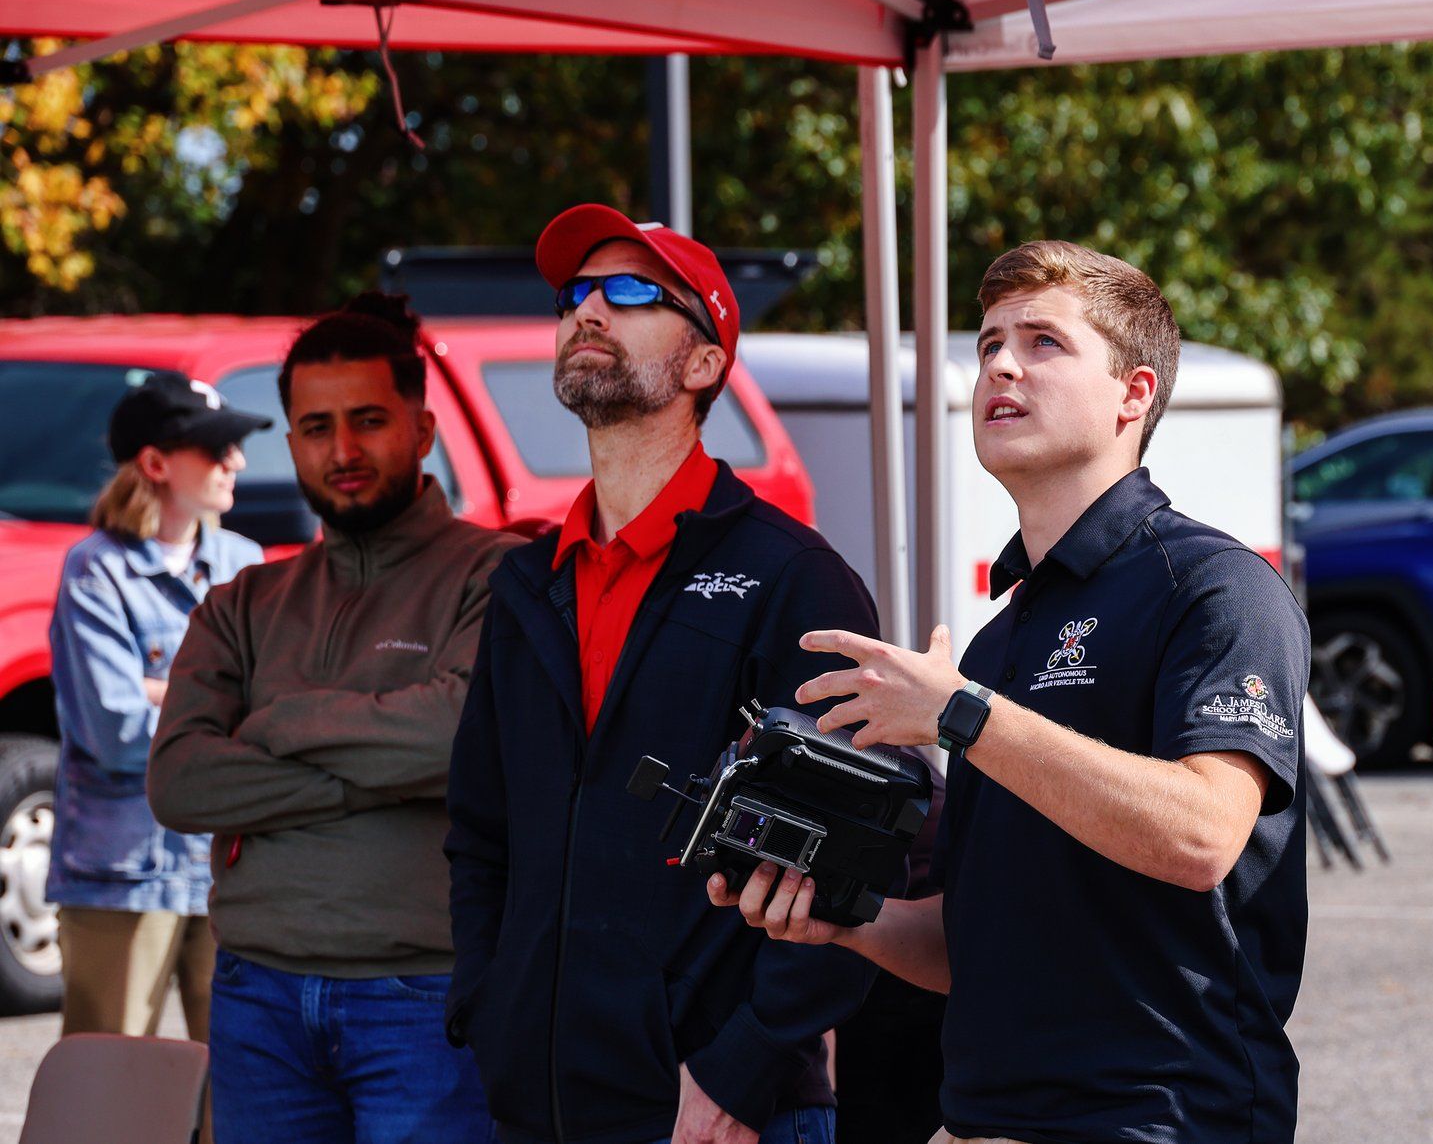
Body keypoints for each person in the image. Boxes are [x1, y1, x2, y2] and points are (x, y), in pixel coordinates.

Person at [721, 239, 1311, 1144]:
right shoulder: (1001, 639)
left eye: (1044, 342)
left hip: (1161, 1120)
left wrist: (961, 714)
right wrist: (844, 916)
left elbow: (1202, 837)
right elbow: (975, 942)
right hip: (981, 1122)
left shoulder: (1215, 587)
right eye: (991, 341)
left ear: (1134, 394)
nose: (999, 362)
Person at [444, 205, 880, 1144]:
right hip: (537, 1100)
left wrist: (739, 1073)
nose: (590, 310)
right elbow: (481, 835)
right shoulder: (527, 582)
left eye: (634, 292)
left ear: (705, 363)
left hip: (721, 1113)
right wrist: (490, 1011)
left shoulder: (793, 577)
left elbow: (857, 866)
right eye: (576, 293)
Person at [149, 296, 521, 1144]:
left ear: (423, 429)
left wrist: (276, 721)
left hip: (426, 1000)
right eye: (316, 428)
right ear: (290, 445)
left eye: (368, 421)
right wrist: (382, 775)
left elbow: (460, 736)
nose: (342, 451)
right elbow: (179, 782)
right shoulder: (244, 601)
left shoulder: (498, 576)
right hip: (256, 998)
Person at [49, 371, 267, 1043]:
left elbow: (274, 711)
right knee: (110, 1092)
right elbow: (116, 730)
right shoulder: (96, 569)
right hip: (122, 875)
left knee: (239, 1088)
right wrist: (219, 701)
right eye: (217, 446)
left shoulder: (245, 562)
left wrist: (163, 693)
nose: (238, 460)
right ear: (155, 463)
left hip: (227, 866)